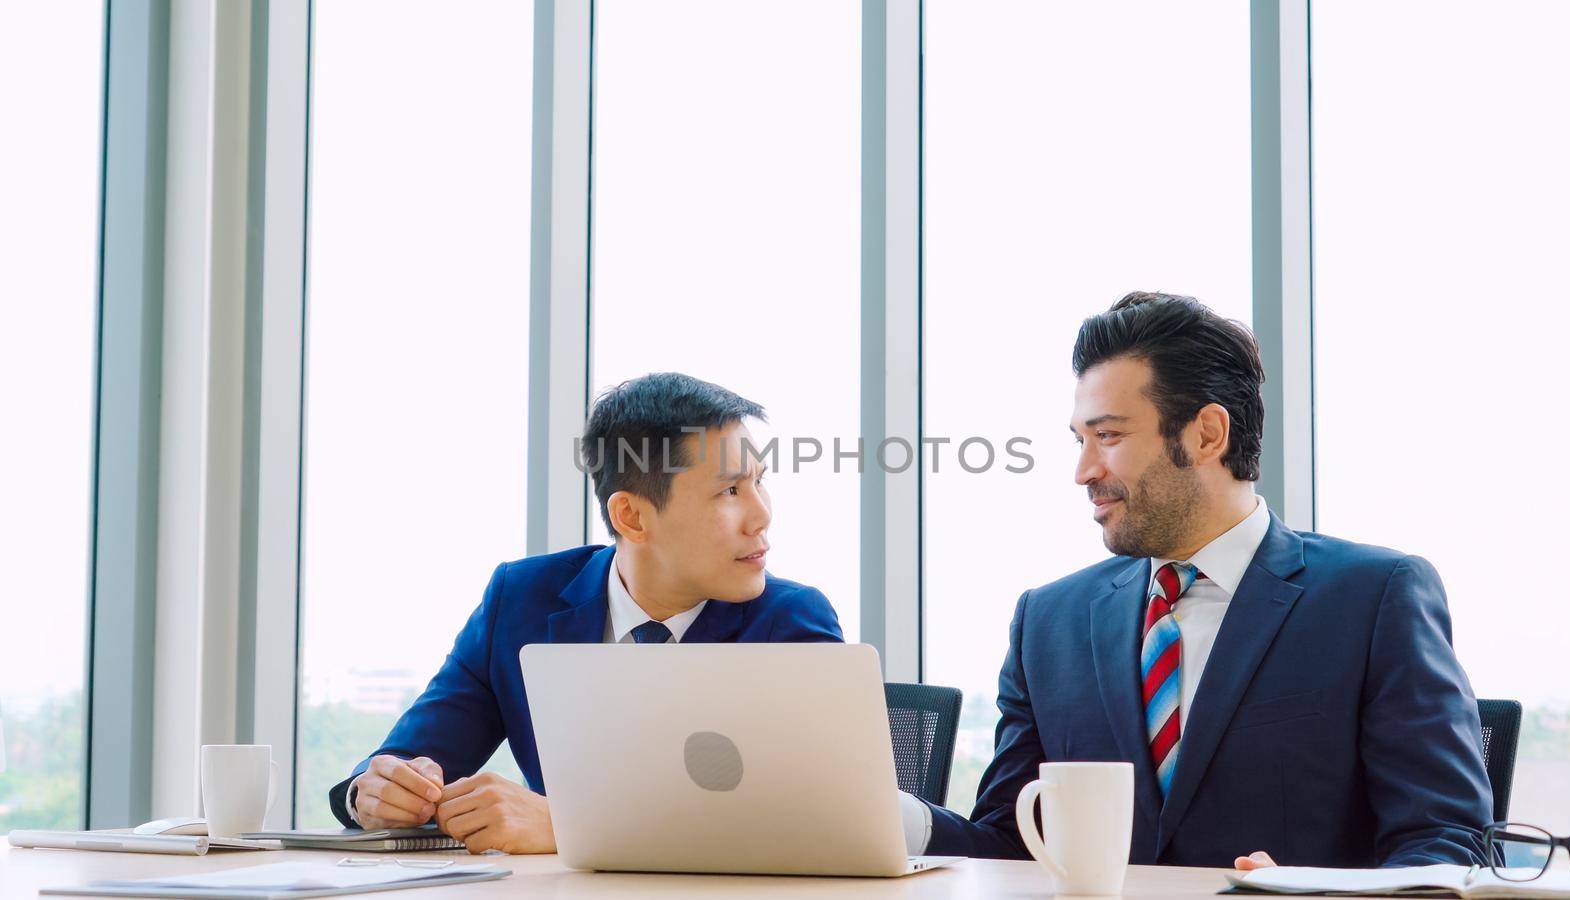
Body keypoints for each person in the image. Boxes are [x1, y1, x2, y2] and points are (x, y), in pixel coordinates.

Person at [912, 292, 1491, 868]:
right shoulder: (1047, 622)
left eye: (1108, 436)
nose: (1084, 471)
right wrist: (893, 819)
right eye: (1080, 441)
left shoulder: (1373, 597)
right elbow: (1011, 847)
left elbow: (1444, 840)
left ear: (1207, 434)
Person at [329, 372, 843, 852]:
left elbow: (817, 823)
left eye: (759, 482)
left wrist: (569, 827)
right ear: (632, 516)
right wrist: (374, 794)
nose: (761, 515)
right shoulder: (522, 599)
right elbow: (413, 756)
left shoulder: (789, 622)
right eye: (731, 490)